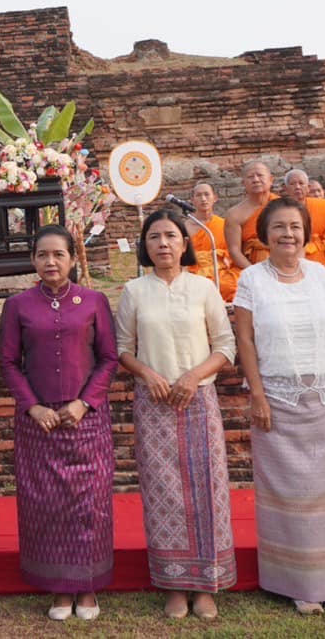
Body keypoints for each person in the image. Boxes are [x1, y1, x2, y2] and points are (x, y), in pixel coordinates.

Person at [233, 197, 325, 615]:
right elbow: (246, 341)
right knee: (290, 497)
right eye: (278, 227)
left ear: (306, 233)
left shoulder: (320, 275)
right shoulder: (252, 279)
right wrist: (257, 394)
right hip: (276, 402)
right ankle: (300, 585)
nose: (287, 234)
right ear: (264, 234)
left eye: (295, 226)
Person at [116, 210, 236, 620]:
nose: (163, 244)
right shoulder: (134, 291)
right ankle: (172, 583)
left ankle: (206, 585)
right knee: (163, 493)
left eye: (171, 236)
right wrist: (147, 374)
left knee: (208, 490)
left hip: (198, 400)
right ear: (144, 246)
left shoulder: (204, 288)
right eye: (154, 237)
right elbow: (122, 348)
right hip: (153, 403)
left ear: (185, 244)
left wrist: (193, 376)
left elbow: (225, 346)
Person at [0, 225, 118, 622]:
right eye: (43, 255)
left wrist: (85, 403)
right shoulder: (18, 305)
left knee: (89, 504)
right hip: (39, 422)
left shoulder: (94, 301)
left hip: (86, 419)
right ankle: (58, 589)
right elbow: (9, 362)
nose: (51, 262)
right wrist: (32, 406)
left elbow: (109, 359)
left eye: (58, 255)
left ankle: (87, 587)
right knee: (46, 505)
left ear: (71, 259)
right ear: (33, 260)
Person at [186, 182, 238, 302]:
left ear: (215, 198)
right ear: (192, 200)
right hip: (195, 273)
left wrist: (219, 255)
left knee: (232, 285)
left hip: (221, 272)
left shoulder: (224, 225)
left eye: (207, 194)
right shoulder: (185, 227)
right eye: (198, 195)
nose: (203, 199)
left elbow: (233, 252)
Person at [226, 162, 277, 269]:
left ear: (271, 180)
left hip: (285, 263)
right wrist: (254, 273)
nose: (256, 180)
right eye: (250, 177)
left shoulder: (284, 205)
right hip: (251, 267)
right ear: (243, 183)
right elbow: (234, 251)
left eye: (260, 175)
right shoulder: (235, 214)